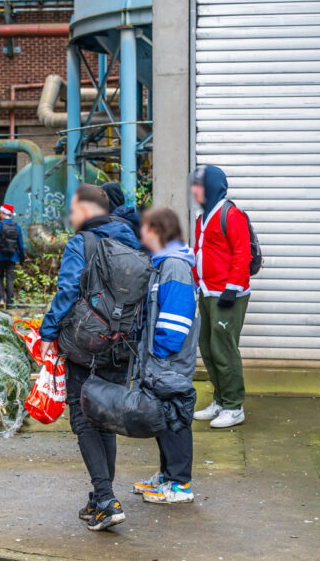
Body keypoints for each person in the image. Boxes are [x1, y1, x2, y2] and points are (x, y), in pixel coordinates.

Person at [38, 183, 141, 531]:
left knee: (83, 419)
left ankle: (106, 499)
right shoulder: (133, 239)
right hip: (123, 343)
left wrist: (48, 332)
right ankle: (100, 499)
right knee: (106, 418)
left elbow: (67, 289)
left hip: (86, 345)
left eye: (73, 208)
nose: (70, 215)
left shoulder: (81, 242)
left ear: (84, 210)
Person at [132, 207, 198, 504]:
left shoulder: (174, 265)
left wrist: (158, 355)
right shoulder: (162, 263)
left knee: (175, 419)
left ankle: (180, 484)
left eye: (145, 228)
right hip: (160, 361)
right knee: (163, 417)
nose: (141, 233)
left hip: (168, 362)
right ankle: (168, 475)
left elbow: (176, 320)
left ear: (158, 231)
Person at [189, 165, 251, 429]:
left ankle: (234, 406)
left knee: (224, 350)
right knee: (208, 347)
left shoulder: (231, 214)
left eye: (199, 185)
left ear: (212, 187)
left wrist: (231, 288)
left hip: (227, 295)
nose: (194, 190)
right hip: (207, 292)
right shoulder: (202, 218)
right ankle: (221, 400)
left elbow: (242, 253)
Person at [0, 202, 26, 309]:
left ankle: (1, 299)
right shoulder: (16, 227)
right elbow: (21, 245)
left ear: (4, 213)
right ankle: (10, 303)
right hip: (12, 256)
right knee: (10, 278)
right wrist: (22, 258)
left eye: (0, 213)